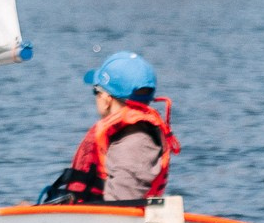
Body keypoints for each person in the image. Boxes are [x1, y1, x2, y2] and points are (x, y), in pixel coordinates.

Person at [39, 50, 178, 207]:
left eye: (96, 92)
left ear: (106, 100)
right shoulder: (126, 136)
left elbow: (121, 209)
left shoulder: (135, 142)